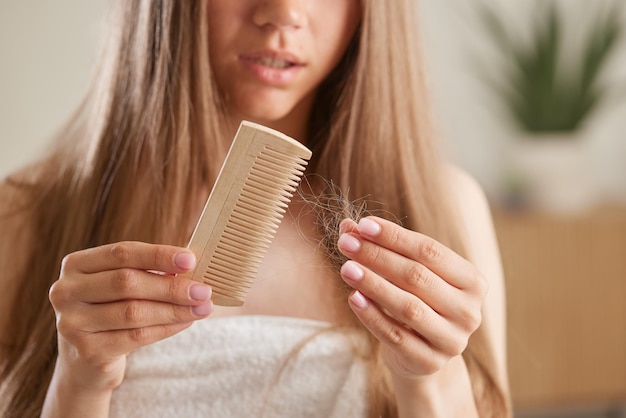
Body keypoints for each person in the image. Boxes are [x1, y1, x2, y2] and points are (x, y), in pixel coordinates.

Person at [0, 1, 511, 417]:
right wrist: (77, 388)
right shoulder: (23, 217)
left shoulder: (445, 209)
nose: (283, 12)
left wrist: (431, 380)